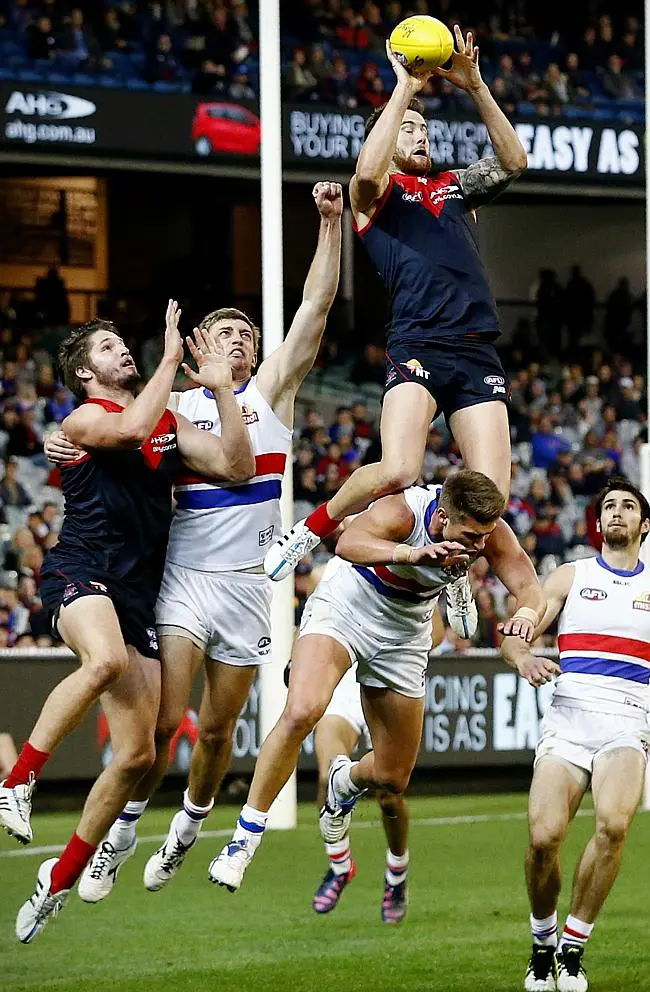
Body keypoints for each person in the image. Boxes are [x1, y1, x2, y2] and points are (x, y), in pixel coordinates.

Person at [47, 183, 343, 901]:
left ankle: (188, 829)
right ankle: (120, 836)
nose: (240, 339)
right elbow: (107, 423)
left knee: (217, 734)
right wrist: (64, 440)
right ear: (200, 345)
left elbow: (314, 310)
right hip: (182, 576)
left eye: (247, 333)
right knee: (165, 722)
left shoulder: (269, 394)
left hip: (249, 583)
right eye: (225, 331)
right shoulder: (170, 405)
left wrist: (331, 225)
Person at [1, 304, 254, 943]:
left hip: (139, 596)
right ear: (86, 371)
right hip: (81, 571)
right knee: (105, 661)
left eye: (123, 342)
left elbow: (237, 466)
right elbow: (132, 426)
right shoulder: (86, 417)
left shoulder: (165, 422)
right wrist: (173, 357)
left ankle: (56, 881)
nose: (123, 350)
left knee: (140, 753)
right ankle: (17, 781)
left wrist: (222, 391)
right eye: (108, 347)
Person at [264, 27, 529, 638]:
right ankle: (309, 531)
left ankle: (456, 573)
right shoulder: (374, 196)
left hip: (475, 350)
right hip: (417, 345)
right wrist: (404, 89)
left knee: (493, 497)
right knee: (399, 471)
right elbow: (364, 168)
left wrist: (477, 86)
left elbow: (513, 161)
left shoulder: (455, 188)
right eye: (408, 127)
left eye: (424, 128)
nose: (420, 132)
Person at [208, 471, 554, 892]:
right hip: (349, 603)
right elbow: (348, 544)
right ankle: (243, 841)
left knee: (393, 776)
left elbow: (529, 587)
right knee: (302, 709)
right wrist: (412, 555)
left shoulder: (488, 532)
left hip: (408, 629)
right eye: (470, 536)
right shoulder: (402, 511)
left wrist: (524, 616)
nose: (480, 545)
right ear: (442, 517)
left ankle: (343, 782)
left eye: (484, 536)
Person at [501, 477, 650, 992]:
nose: (617, 512)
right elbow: (520, 628)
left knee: (613, 825)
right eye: (609, 505)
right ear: (597, 520)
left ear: (643, 524)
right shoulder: (570, 574)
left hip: (627, 722)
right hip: (568, 721)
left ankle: (573, 945)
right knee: (543, 839)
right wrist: (522, 657)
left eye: (628, 507)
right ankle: (542, 942)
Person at [310, 606, 445, 922]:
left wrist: (392, 640)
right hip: (343, 683)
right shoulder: (328, 572)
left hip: (390, 679)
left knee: (388, 791)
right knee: (328, 773)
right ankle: (340, 864)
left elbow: (437, 633)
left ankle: (397, 872)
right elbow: (309, 624)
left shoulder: (412, 566)